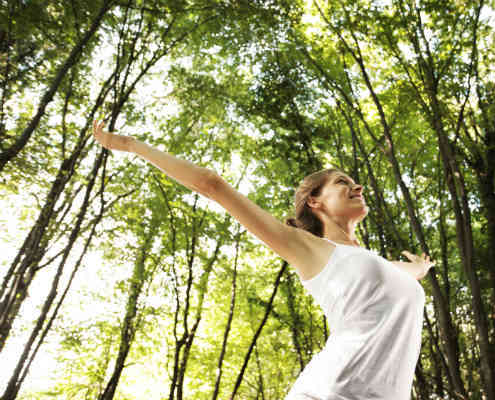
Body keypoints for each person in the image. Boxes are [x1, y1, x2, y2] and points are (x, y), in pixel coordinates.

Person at [92, 120, 434, 399]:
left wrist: (421, 267)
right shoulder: (308, 248)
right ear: (314, 202)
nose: (357, 186)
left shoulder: (372, 263)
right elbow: (212, 185)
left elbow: (407, 274)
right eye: (343, 182)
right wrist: (131, 145)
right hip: (331, 393)